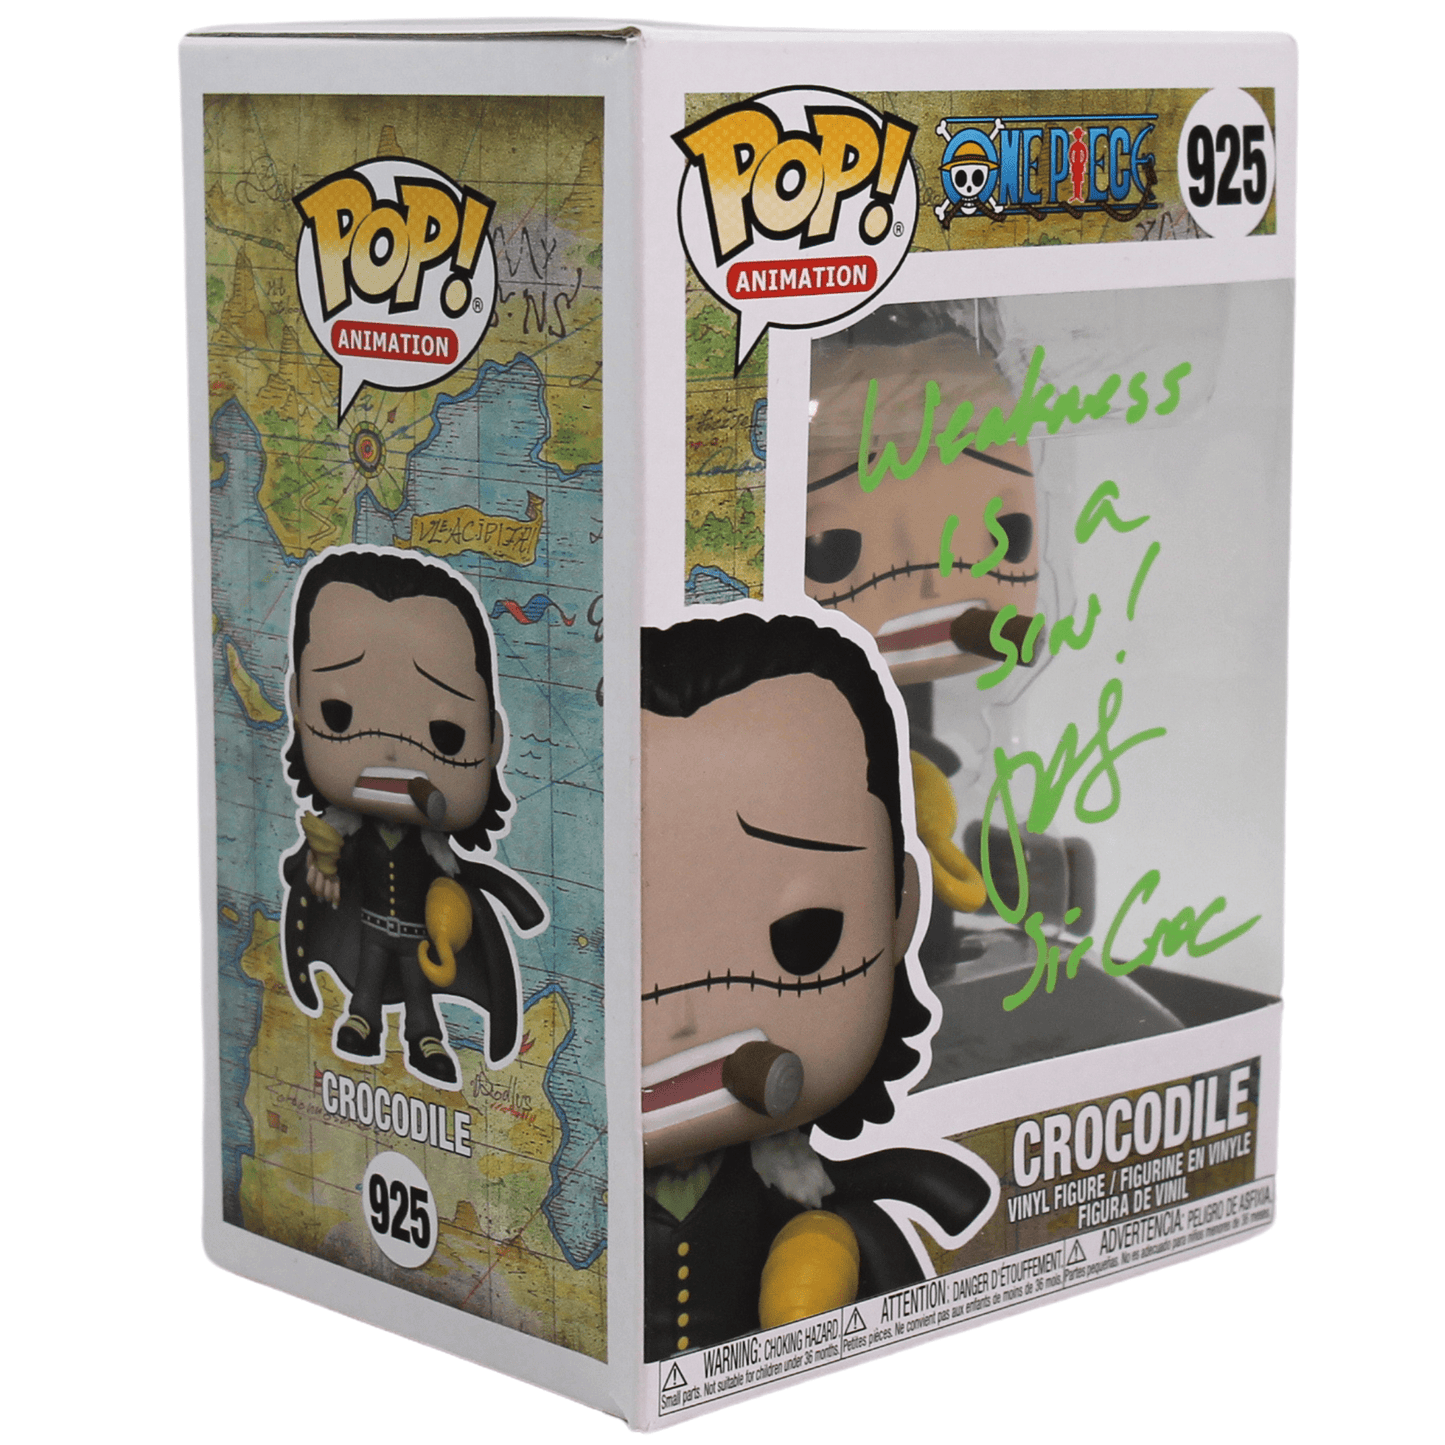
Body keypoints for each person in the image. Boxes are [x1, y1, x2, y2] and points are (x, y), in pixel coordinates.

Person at [640, 612, 991, 1361]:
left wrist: (828, 1242)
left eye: (803, 935)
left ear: (898, 909)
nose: (685, 1017)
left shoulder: (783, 1168)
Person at [280, 547, 545, 1088]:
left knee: (418, 987)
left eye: (446, 734)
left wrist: (513, 903)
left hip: (420, 934)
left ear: (491, 740)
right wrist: (317, 866)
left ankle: (426, 1039)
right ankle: (362, 1023)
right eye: (338, 714)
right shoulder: (345, 830)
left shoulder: (435, 848)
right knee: (368, 979)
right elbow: (309, 862)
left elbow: (469, 877)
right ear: (298, 705)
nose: (391, 753)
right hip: (370, 928)